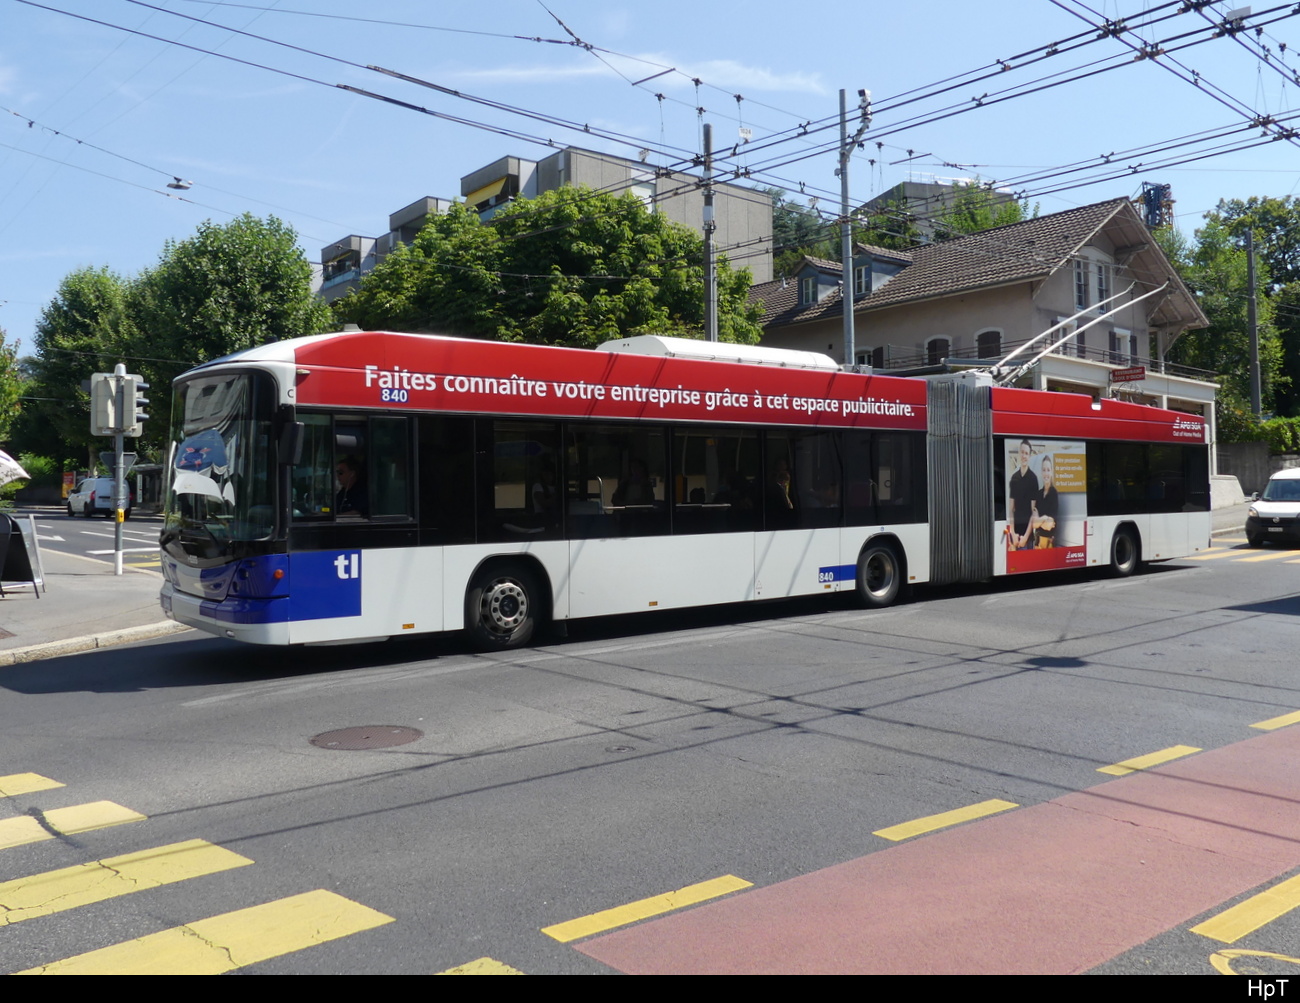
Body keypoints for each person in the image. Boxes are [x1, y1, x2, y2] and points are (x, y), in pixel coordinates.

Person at [1007, 439, 1038, 550]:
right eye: (1022, 452)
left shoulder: (1033, 479)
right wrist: (1013, 533)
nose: (1024, 456)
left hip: (1027, 538)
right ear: (1019, 453)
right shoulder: (1014, 478)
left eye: (1026, 453)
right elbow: (1011, 509)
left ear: (1029, 456)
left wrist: (1025, 537)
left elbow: (1033, 511)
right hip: (1015, 535)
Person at [1032, 454, 1059, 548]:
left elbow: (1049, 525)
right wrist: (1044, 518)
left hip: (1048, 542)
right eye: (1044, 470)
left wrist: (1040, 520)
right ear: (1041, 472)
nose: (1046, 473)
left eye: (1048, 470)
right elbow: (1034, 524)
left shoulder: (1053, 493)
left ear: (1051, 472)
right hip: (1037, 542)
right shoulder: (1038, 494)